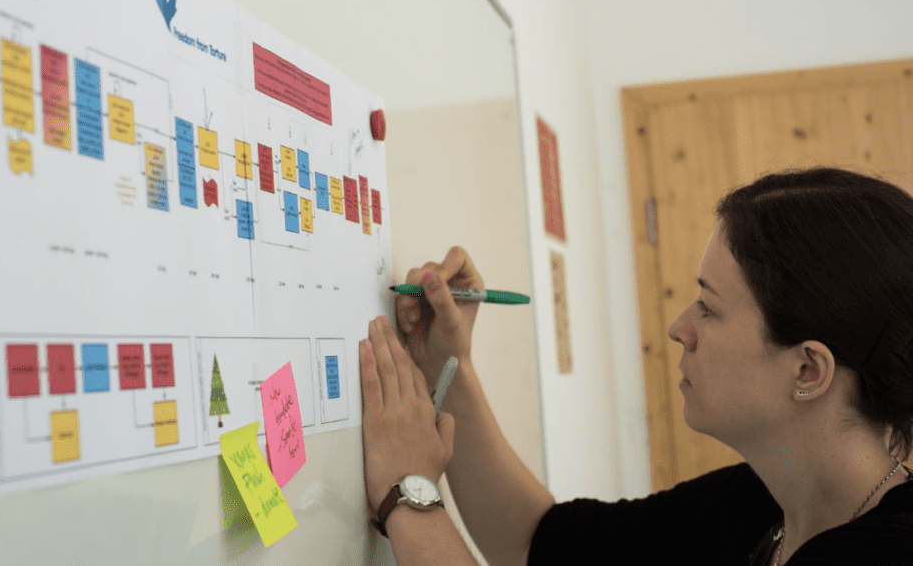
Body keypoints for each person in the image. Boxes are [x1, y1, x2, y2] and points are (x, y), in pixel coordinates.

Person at [359, 166, 913, 565]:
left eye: (710, 308)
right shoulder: (760, 502)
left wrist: (410, 496)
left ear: (808, 371)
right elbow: (535, 543)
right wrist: (448, 370)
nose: (679, 328)